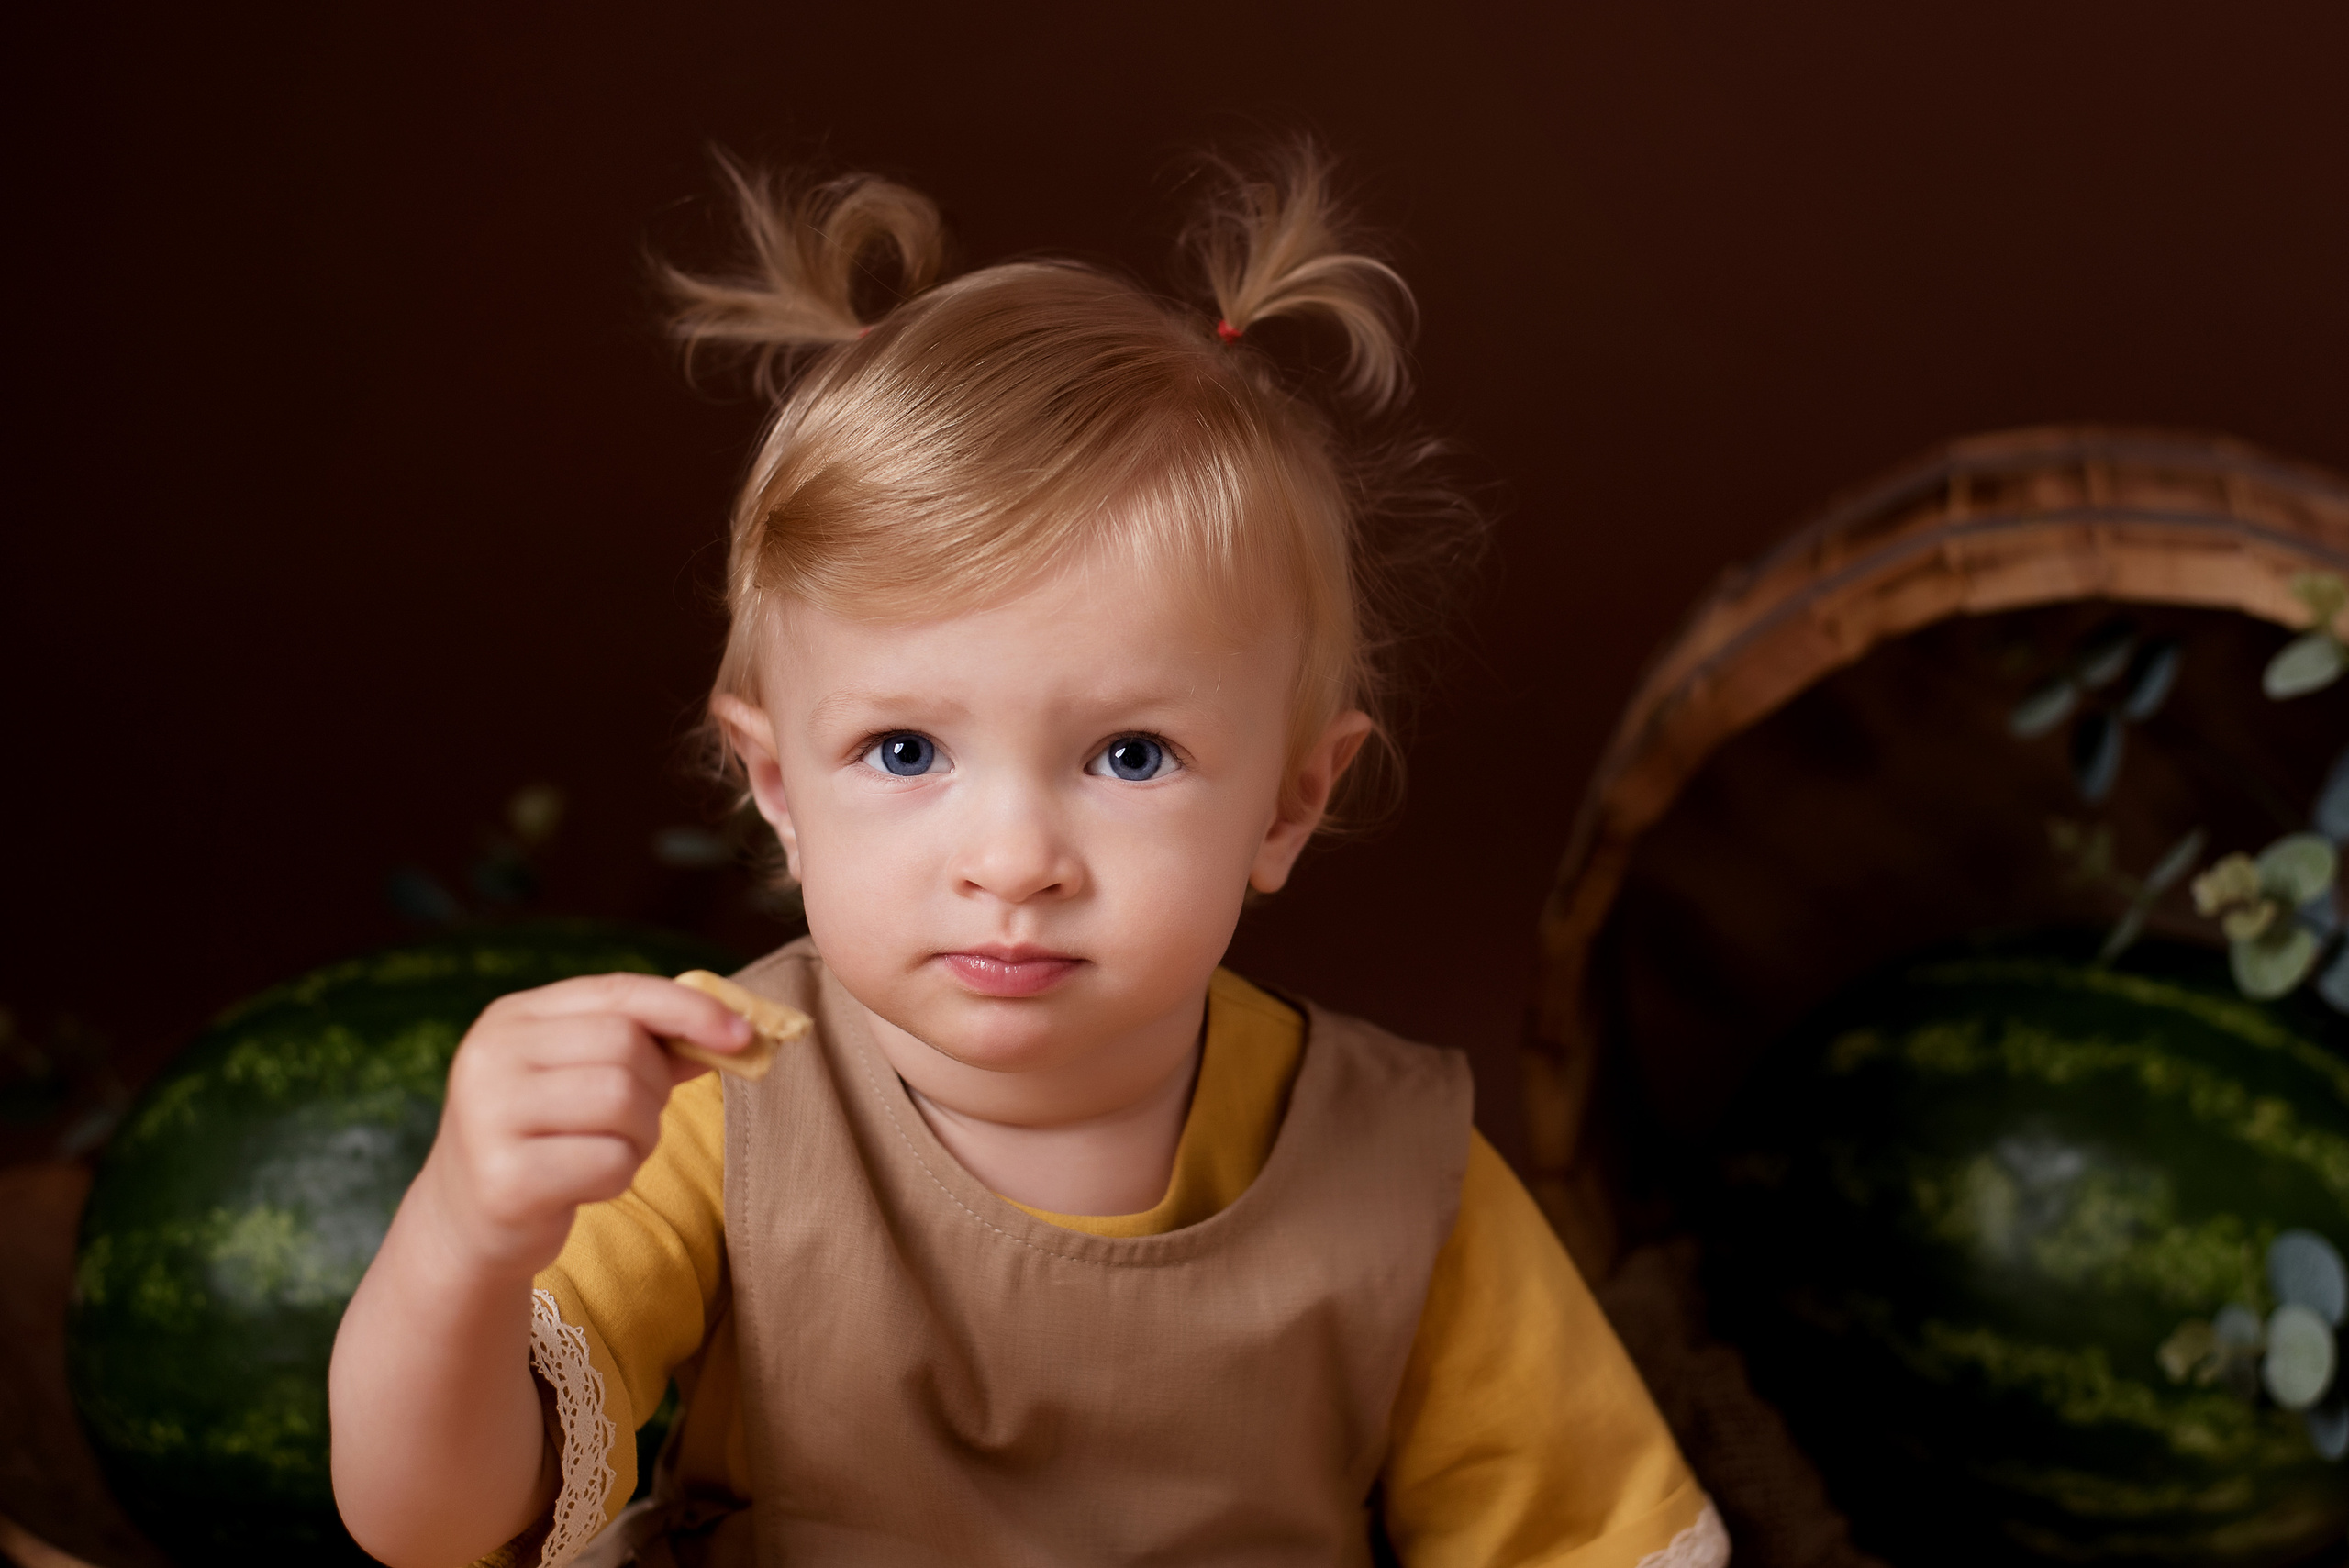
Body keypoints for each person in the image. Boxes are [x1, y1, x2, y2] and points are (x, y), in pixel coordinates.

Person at [328, 145, 1727, 1568]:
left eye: (1130, 756)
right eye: (904, 750)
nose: (1012, 861)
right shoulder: (725, 1114)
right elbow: (432, 1524)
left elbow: (1591, 1543)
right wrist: (464, 1238)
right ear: (778, 785)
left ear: (1288, 805)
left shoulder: (1399, 1170)